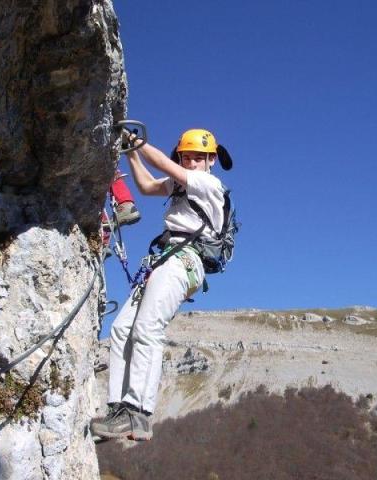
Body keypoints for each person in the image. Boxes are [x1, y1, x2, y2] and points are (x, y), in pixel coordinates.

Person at [91, 128, 228, 441]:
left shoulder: (209, 184)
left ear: (211, 161)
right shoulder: (180, 185)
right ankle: (118, 409)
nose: (192, 162)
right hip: (167, 261)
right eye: (187, 156)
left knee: (147, 329)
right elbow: (146, 185)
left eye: (198, 157)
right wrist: (132, 153)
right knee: (122, 329)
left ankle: (137, 412)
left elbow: (167, 169)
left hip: (184, 261)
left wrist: (137, 143)